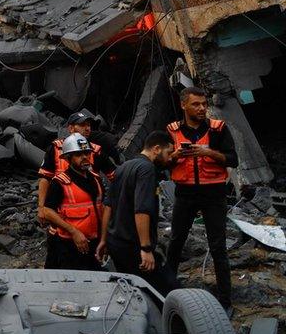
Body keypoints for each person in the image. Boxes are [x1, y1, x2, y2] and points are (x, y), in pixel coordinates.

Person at [164, 87, 237, 310]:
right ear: (184, 105)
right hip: (185, 194)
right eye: (196, 104)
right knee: (176, 241)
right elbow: (162, 163)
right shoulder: (172, 131)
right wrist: (174, 157)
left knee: (218, 247)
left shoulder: (218, 129)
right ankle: (166, 291)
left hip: (214, 194)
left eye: (204, 104)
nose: (202, 108)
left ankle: (226, 301)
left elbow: (233, 160)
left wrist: (208, 153)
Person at [96, 131, 178, 297]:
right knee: (168, 290)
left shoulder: (123, 168)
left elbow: (108, 206)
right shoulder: (147, 170)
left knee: (134, 290)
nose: (171, 158)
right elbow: (141, 210)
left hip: (116, 244)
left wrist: (104, 240)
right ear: (156, 149)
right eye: (169, 153)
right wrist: (145, 248)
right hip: (133, 246)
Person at [37, 111, 116, 225]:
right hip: (61, 211)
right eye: (83, 125)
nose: (87, 128)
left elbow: (114, 176)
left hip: (91, 212)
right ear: (70, 128)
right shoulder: (55, 148)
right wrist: (41, 207)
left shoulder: (96, 151)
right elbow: (45, 178)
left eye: (89, 125)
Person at [41, 133, 103, 271]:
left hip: (94, 242)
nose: (85, 157)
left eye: (87, 153)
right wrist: (74, 232)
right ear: (68, 158)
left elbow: (101, 209)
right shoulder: (60, 182)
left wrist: (104, 239)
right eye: (79, 155)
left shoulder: (96, 179)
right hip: (70, 245)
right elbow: (47, 211)